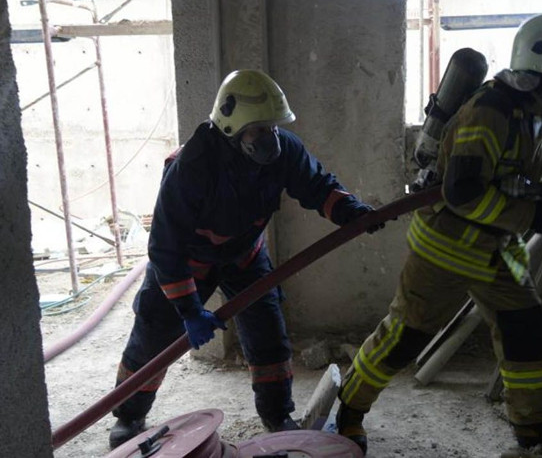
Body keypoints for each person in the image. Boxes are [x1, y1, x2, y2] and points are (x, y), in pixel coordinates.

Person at [335, 13, 542, 454]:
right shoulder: (491, 111)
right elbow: (463, 194)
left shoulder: (537, 112)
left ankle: (534, 428)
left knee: (525, 330)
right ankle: (348, 410)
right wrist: (531, 216)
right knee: (404, 336)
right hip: (446, 251)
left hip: (499, 252)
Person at [109, 69, 383, 449]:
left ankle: (276, 414)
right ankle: (129, 414)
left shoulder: (283, 150)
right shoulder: (193, 165)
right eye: (257, 130)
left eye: (271, 127)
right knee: (155, 332)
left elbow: (317, 184)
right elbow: (166, 247)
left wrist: (349, 211)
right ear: (231, 128)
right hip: (188, 260)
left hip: (244, 254)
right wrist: (189, 310)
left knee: (267, 332)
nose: (268, 137)